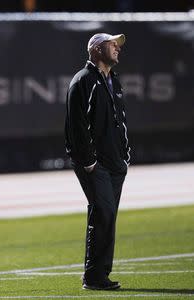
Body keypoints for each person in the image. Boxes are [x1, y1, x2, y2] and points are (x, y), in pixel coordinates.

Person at [64, 33, 131, 290]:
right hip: (96, 164)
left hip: (115, 163)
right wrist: (89, 162)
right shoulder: (83, 81)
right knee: (102, 212)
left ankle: (98, 275)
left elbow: (120, 120)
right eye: (112, 44)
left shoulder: (113, 80)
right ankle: (93, 277)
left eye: (117, 45)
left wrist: (125, 156)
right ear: (96, 50)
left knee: (107, 215)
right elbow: (76, 126)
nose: (117, 48)